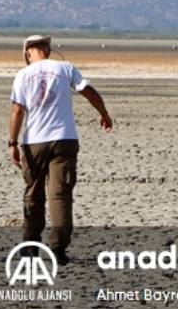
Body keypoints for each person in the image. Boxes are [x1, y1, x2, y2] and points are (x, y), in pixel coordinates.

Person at [8, 34, 113, 264]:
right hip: (64, 139)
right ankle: (57, 248)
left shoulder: (23, 75)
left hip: (34, 141)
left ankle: (31, 245)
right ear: (48, 49)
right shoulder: (65, 67)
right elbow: (88, 91)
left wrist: (13, 142)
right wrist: (103, 113)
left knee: (34, 194)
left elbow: (17, 111)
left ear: (27, 53)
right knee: (60, 195)